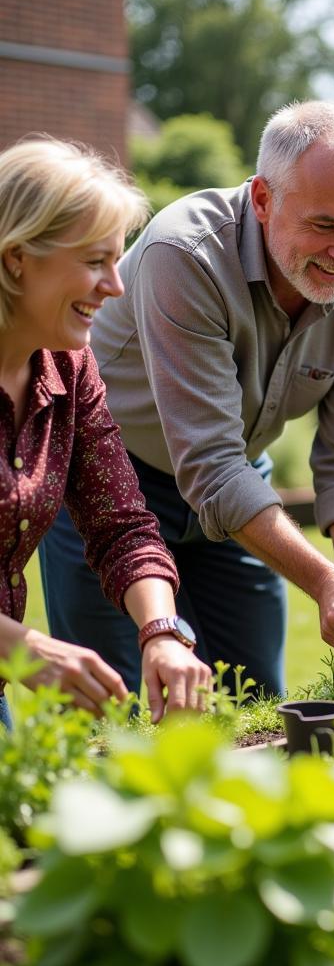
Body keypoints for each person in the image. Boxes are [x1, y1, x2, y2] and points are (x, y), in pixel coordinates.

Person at [39, 102, 334, 700]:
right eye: (325, 225)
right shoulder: (184, 255)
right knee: (117, 713)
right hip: (110, 488)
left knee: (257, 703)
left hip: (240, 490)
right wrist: (323, 581)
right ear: (262, 198)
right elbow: (209, 463)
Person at [0, 138, 212, 729]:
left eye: (117, 260)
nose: (115, 286)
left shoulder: (69, 367)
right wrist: (25, 647)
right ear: (18, 256)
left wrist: (161, 632)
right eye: (96, 262)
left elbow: (120, 523)